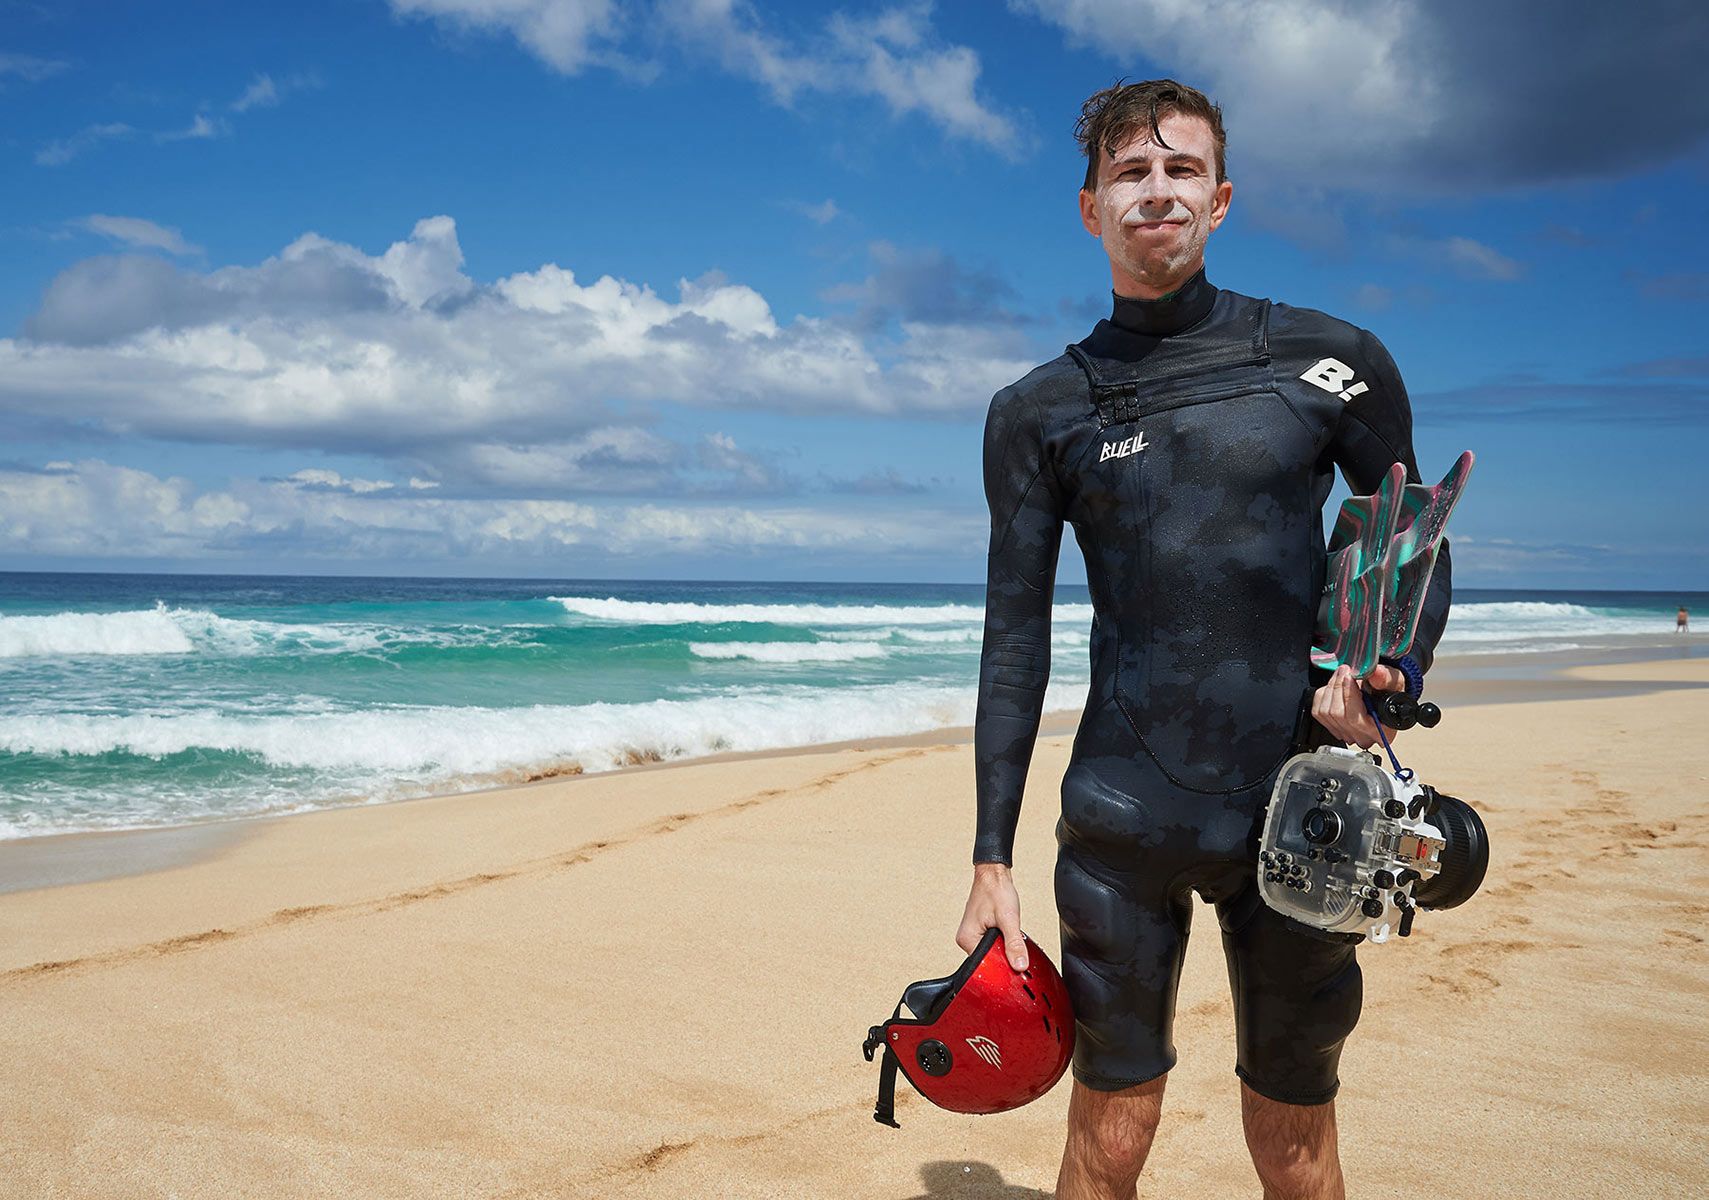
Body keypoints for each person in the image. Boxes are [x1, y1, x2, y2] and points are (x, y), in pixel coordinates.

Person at [955, 80, 1451, 1200]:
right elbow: (1012, 636)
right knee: (1110, 1135)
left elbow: (1408, 542)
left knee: (1291, 1137)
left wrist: (1383, 669)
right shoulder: (1038, 410)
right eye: (1129, 172)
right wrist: (990, 856)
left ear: (1219, 197)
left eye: (1179, 171)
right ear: (1090, 208)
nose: (1155, 192)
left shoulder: (1331, 361)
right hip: (1123, 818)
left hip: (1304, 810)